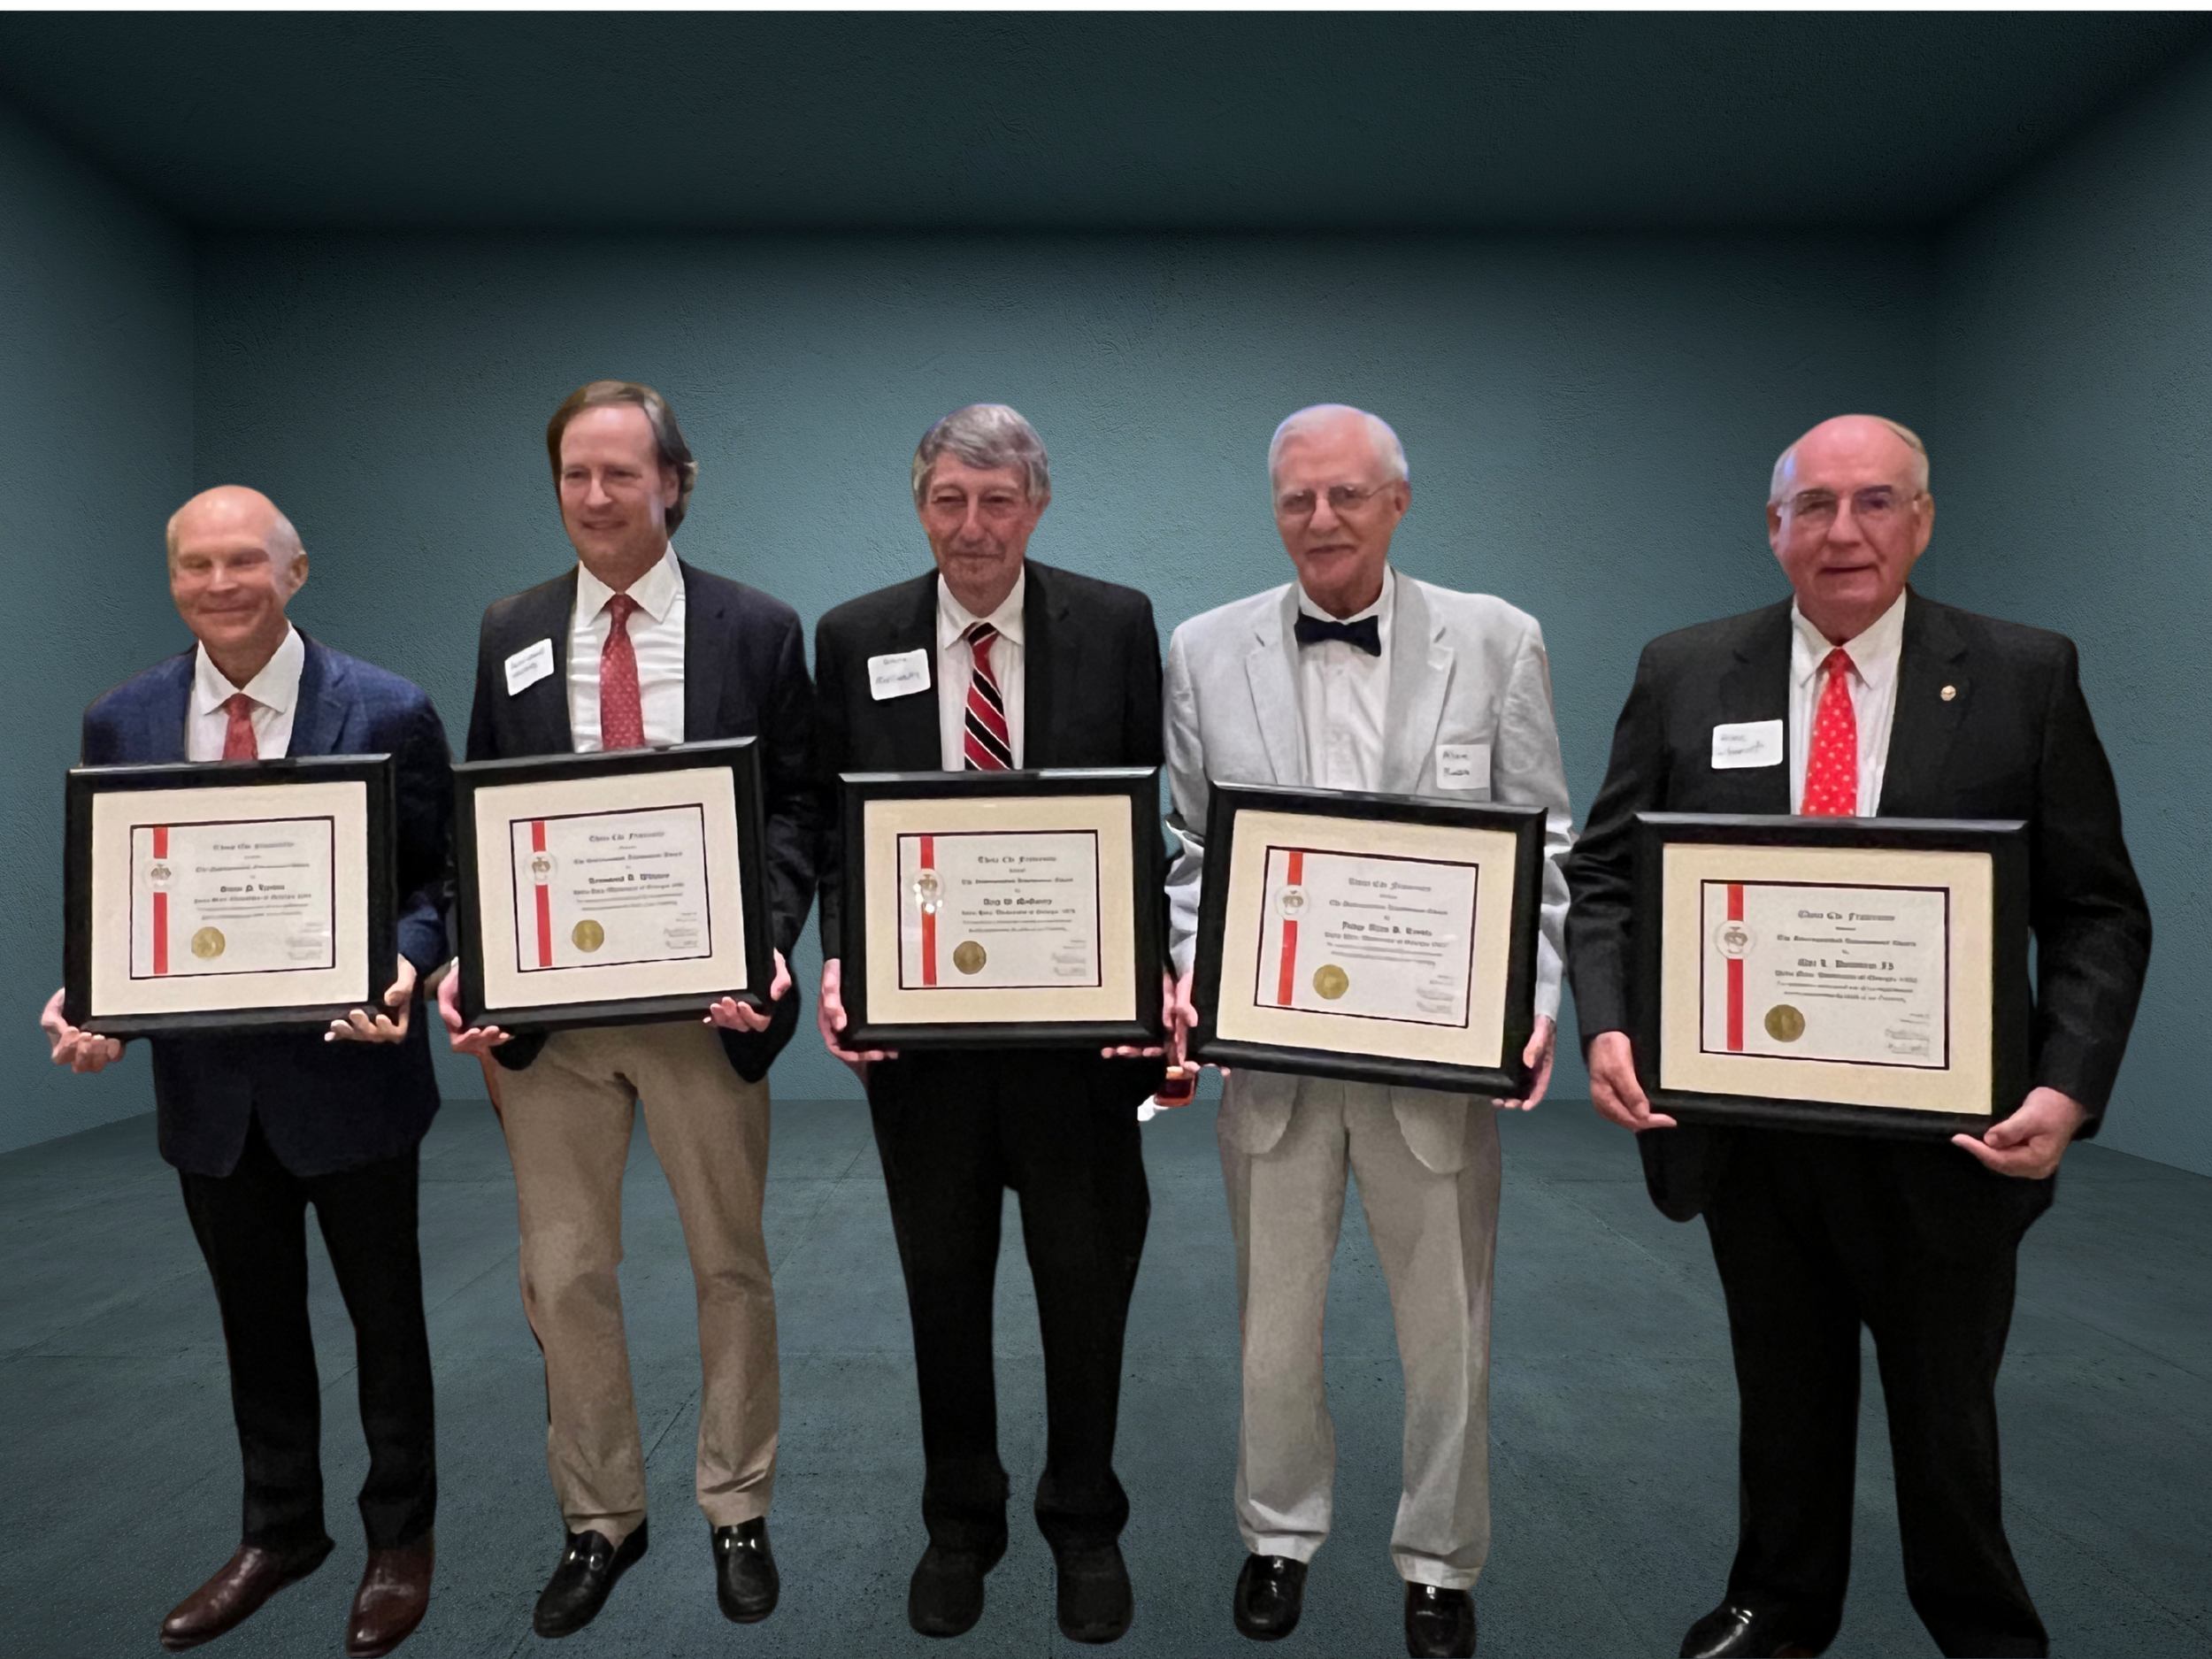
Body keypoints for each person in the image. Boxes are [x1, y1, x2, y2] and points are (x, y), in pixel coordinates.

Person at [1563, 414, 2152, 1659]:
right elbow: (1607, 874)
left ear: (1922, 520)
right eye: (1814, 506)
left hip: (1948, 1133)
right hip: (1752, 1126)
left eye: (1876, 501)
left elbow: (2095, 906)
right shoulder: (1685, 670)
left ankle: (1983, 1625)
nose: (1845, 531)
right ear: (1772, 527)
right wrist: (1608, 1020)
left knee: (1947, 1410)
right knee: (1781, 1387)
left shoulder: (2024, 672)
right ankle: (1776, 1601)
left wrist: (2068, 1085)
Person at [1162, 405, 1574, 1659]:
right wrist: (1195, 976)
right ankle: (1277, 1535)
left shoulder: (1499, 639)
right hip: (1272, 1063)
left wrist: (1533, 999)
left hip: (1433, 1068)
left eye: (1345, 496)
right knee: (1272, 1322)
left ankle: (1441, 1559)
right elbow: (1188, 852)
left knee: (1447, 1324)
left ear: (1399, 501)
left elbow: (1544, 839)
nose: (1320, 520)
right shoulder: (1202, 649)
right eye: (1297, 499)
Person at [40, 486, 451, 1657]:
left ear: (298, 570)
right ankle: (282, 1531)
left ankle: (400, 1537)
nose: (219, 584)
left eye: (244, 562)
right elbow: (112, 896)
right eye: (195, 564)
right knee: (254, 1321)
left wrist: (407, 967)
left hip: (353, 1077)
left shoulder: (387, 706)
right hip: (211, 1093)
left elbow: (440, 885)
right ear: (173, 576)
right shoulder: (123, 717)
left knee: (388, 1323)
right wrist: (95, 1003)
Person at [436, 380, 817, 1638]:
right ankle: (601, 1518)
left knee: (729, 1262)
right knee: (566, 1272)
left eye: (620, 474)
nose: (595, 499)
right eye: (573, 477)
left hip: (702, 1009)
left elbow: (796, 808)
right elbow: (482, 813)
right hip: (554, 1025)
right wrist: (478, 959)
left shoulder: (757, 628)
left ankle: (737, 1503)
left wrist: (763, 935)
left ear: (675, 481)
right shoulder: (513, 626)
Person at [812, 404, 1164, 1643]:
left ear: (1037, 505)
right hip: (925, 1053)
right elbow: (836, 831)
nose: (973, 526)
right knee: (942, 1289)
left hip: (1078, 1050)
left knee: (1086, 1286)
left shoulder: (1114, 623)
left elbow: (1143, 820)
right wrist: (846, 960)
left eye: (997, 500)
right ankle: (960, 1519)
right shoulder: (855, 637)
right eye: (950, 500)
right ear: (922, 505)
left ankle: (1086, 1518)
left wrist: (1151, 986)